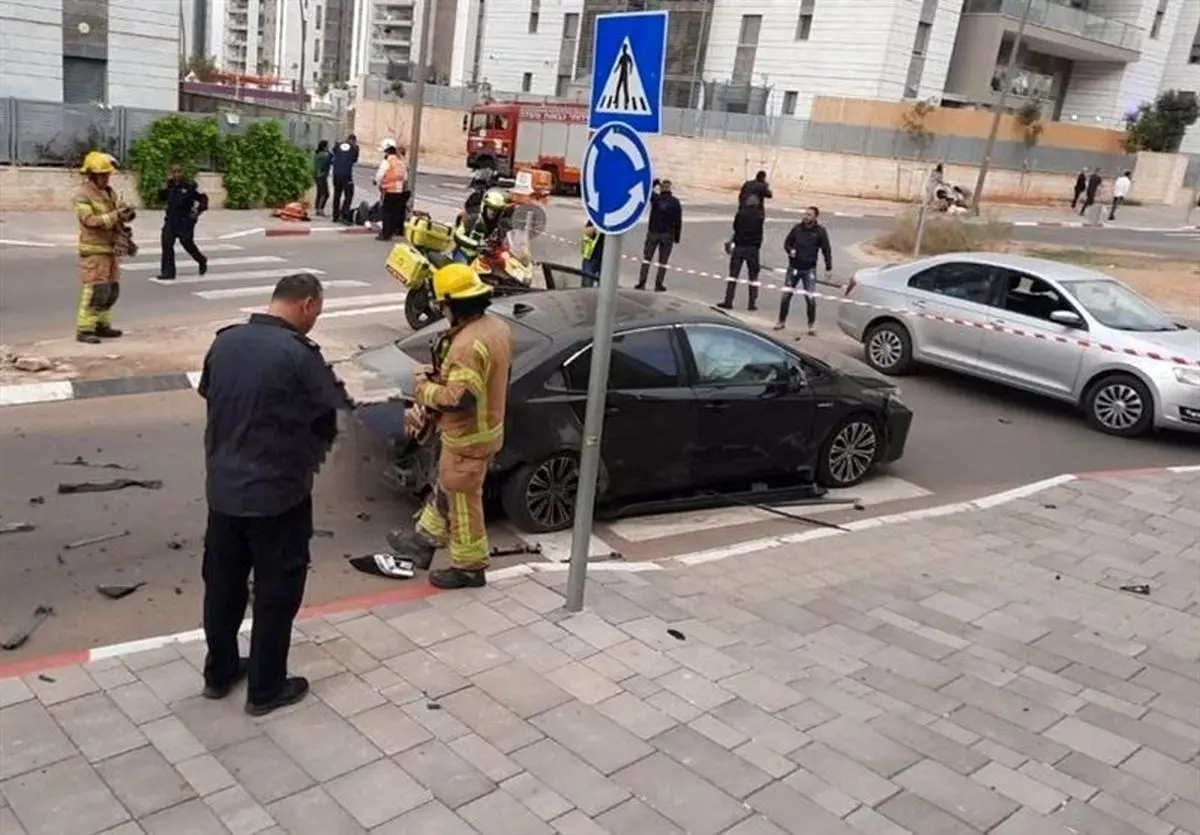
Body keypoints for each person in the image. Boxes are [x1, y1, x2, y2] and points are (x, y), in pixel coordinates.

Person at [198, 273, 352, 716]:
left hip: (223, 492)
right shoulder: (300, 356)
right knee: (275, 591)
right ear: (306, 304)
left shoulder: (225, 342)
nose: (315, 321)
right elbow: (326, 422)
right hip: (277, 499)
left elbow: (212, 395)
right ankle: (265, 689)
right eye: (317, 313)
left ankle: (219, 673)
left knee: (222, 587)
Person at [385, 263, 513, 590]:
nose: (441, 310)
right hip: (485, 431)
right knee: (448, 489)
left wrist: (424, 388)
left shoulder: (466, 345)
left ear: (454, 304)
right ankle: (422, 542)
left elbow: (460, 399)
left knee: (464, 505)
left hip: (468, 436)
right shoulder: (495, 328)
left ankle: (469, 568)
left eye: (443, 304)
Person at [75, 151, 136, 344]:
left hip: (110, 249)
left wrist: (127, 215)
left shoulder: (109, 193)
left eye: (108, 175)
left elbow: (117, 214)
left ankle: (102, 325)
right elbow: (90, 221)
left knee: (110, 289)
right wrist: (116, 215)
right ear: (92, 174)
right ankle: (85, 329)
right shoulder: (83, 196)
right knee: (95, 290)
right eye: (103, 175)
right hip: (94, 251)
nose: (106, 178)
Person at [777, 206, 832, 334]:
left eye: (809, 215)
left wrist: (828, 268)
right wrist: (790, 250)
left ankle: (811, 325)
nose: (806, 217)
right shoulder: (797, 229)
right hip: (794, 268)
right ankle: (781, 321)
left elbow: (826, 250)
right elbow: (787, 243)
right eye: (805, 214)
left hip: (809, 269)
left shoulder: (820, 231)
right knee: (786, 296)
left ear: (815, 217)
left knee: (810, 299)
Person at [156, 165, 209, 281]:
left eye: (178, 172)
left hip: (185, 221)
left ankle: (201, 260)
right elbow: (162, 198)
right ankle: (168, 272)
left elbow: (203, 199)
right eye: (174, 172)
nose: (176, 174)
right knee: (166, 242)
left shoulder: (190, 185)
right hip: (171, 220)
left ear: (182, 172)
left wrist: (197, 212)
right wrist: (163, 188)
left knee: (187, 243)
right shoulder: (169, 185)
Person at [718, 197, 765, 311]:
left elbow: (736, 228)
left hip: (740, 246)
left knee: (733, 275)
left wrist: (732, 242)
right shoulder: (760, 215)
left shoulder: (741, 213)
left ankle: (728, 301)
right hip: (753, 248)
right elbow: (760, 232)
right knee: (753, 276)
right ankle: (752, 303)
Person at [635, 178, 682, 292]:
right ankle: (658, 284)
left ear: (661, 188)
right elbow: (678, 220)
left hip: (653, 233)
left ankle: (642, 282)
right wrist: (677, 236)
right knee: (663, 261)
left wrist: (654, 182)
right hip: (667, 235)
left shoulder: (656, 199)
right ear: (670, 188)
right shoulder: (675, 202)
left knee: (647, 259)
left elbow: (645, 189)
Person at [452, 188, 510, 263]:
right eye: (490, 208)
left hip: (482, 257)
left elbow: (503, 240)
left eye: (496, 210)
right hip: (464, 254)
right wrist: (475, 244)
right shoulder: (474, 218)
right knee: (462, 271)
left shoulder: (498, 225)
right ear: (484, 206)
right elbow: (457, 235)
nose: (493, 212)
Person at [373, 138, 408, 241]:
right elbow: (405, 177)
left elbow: (380, 174)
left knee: (386, 213)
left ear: (387, 151)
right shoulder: (400, 163)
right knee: (394, 213)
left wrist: (376, 181)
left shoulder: (387, 161)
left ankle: (385, 234)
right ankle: (391, 232)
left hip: (389, 191)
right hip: (398, 191)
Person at [330, 133, 359, 223]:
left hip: (336, 173)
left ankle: (335, 216)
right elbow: (354, 160)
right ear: (354, 140)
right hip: (346, 174)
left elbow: (332, 154)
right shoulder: (355, 147)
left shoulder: (338, 144)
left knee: (337, 194)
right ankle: (344, 214)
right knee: (349, 194)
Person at [581, 220, 605, 287]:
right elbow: (586, 232)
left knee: (605, 288)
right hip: (590, 256)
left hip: (606, 258)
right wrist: (597, 228)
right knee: (586, 286)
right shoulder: (594, 219)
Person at [313, 140, 332, 216]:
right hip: (322, 175)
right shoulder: (325, 156)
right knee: (325, 193)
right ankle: (320, 209)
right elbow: (330, 160)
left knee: (319, 192)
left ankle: (317, 209)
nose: (328, 147)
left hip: (317, 175)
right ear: (324, 147)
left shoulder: (317, 154)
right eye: (327, 146)